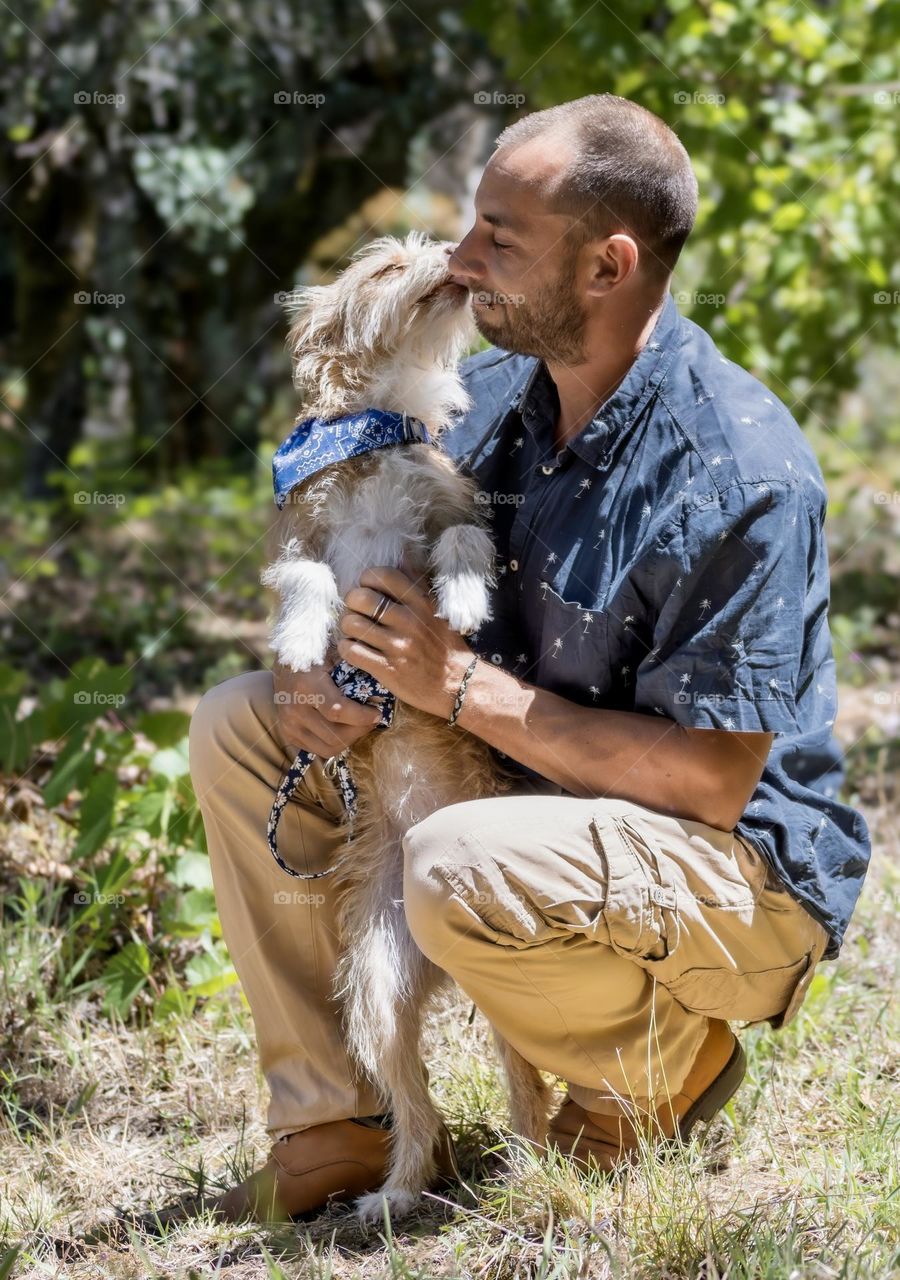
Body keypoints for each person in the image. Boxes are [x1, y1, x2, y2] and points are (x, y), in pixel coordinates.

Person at [186, 94, 870, 1222]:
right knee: (239, 719)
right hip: (519, 796)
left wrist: (451, 684)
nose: (462, 261)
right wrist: (336, 675)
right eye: (471, 226)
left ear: (608, 266)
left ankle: (653, 1067)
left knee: (453, 855)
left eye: (500, 237)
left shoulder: (736, 468)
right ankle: (342, 1121)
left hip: (732, 873)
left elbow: (711, 782)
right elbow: (359, 527)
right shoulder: (492, 396)